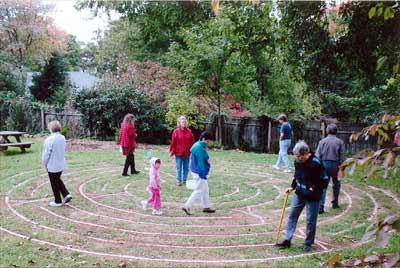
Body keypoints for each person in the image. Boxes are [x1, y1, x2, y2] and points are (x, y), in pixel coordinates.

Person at [275, 141, 328, 252]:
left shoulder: (316, 163)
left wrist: (314, 189)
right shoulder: (297, 161)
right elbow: (297, 176)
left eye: (299, 156)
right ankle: (287, 240)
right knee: (292, 216)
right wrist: (293, 186)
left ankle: (308, 243)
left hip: (313, 197)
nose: (297, 158)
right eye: (296, 156)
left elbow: (324, 180)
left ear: (305, 154)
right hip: (299, 194)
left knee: (310, 220)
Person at [182, 131, 216, 215]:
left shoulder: (199, 145)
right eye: (207, 141)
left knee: (205, 189)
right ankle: (187, 206)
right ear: (203, 139)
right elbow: (200, 162)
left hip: (197, 171)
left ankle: (206, 207)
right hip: (199, 172)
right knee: (199, 190)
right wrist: (203, 173)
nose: (208, 143)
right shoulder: (198, 147)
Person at [316, 123, 346, 213]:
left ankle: (321, 207)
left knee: (323, 186)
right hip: (336, 165)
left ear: (327, 131)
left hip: (324, 165)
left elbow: (317, 156)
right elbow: (343, 157)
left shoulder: (322, 142)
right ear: (336, 131)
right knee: (336, 185)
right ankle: (335, 203)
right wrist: (342, 169)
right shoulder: (340, 142)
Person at [42, 120, 72, 207]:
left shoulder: (49, 139)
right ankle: (66, 194)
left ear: (50, 128)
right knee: (57, 179)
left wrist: (44, 163)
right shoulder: (62, 137)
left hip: (52, 165)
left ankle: (57, 201)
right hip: (61, 163)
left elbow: (46, 154)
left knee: (54, 182)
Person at [169, 116, 195, 186]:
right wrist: (171, 151)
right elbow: (173, 142)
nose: (183, 123)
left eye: (184, 122)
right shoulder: (176, 131)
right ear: (179, 123)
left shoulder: (189, 131)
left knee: (186, 168)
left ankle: (184, 180)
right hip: (178, 153)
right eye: (182, 122)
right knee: (179, 167)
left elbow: (192, 142)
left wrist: (194, 151)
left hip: (187, 153)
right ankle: (178, 180)